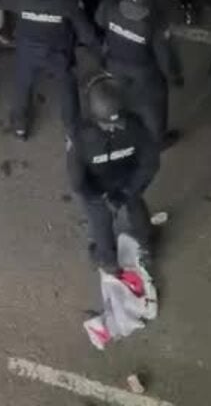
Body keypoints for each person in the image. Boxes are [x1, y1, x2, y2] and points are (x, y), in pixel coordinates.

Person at [0, 0, 99, 138]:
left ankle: (20, 126)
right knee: (67, 88)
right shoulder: (67, 0)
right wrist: (101, 53)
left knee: (22, 86)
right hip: (59, 54)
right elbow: (87, 34)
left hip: (27, 53)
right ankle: (73, 128)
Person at [67, 73, 159, 274]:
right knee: (135, 207)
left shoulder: (80, 138)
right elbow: (150, 163)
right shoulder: (135, 126)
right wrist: (127, 191)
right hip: (128, 180)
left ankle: (107, 260)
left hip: (98, 188)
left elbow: (76, 180)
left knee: (100, 222)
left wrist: (96, 198)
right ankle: (146, 245)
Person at [95, 0, 180, 143]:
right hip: (145, 74)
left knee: (119, 100)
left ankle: (123, 134)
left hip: (113, 66)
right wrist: (173, 76)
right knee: (154, 108)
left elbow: (98, 20)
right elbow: (165, 56)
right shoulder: (155, 23)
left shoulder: (109, 5)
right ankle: (157, 142)